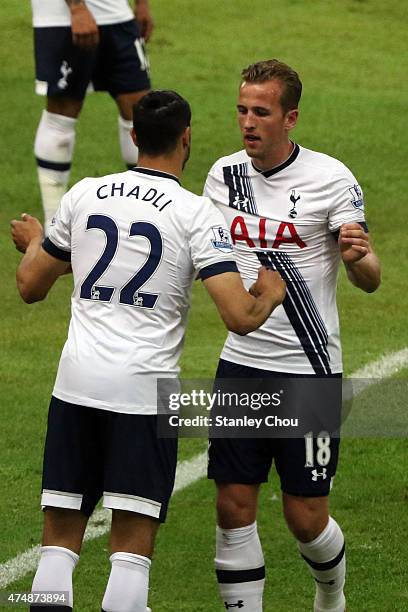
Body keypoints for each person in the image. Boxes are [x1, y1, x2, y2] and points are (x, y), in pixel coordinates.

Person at [11, 90, 286, 612]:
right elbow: (240, 317)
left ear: (134, 136)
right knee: (131, 553)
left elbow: (31, 285)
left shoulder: (85, 195)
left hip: (75, 387)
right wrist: (270, 290)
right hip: (142, 397)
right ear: (186, 139)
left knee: (57, 543)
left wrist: (34, 241)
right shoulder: (196, 214)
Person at [204, 60, 381, 612]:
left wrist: (358, 259)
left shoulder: (332, 179)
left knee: (305, 517)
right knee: (233, 506)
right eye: (241, 110)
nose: (248, 123)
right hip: (241, 361)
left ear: (290, 117)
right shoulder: (223, 177)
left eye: (261, 112)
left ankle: (331, 593)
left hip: (309, 372)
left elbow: (370, 278)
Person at [31, 0, 154, 232]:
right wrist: (76, 7)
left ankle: (147, 211)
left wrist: (141, 4)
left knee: (141, 115)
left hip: (117, 13)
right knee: (61, 115)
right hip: (62, 17)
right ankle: (53, 225)